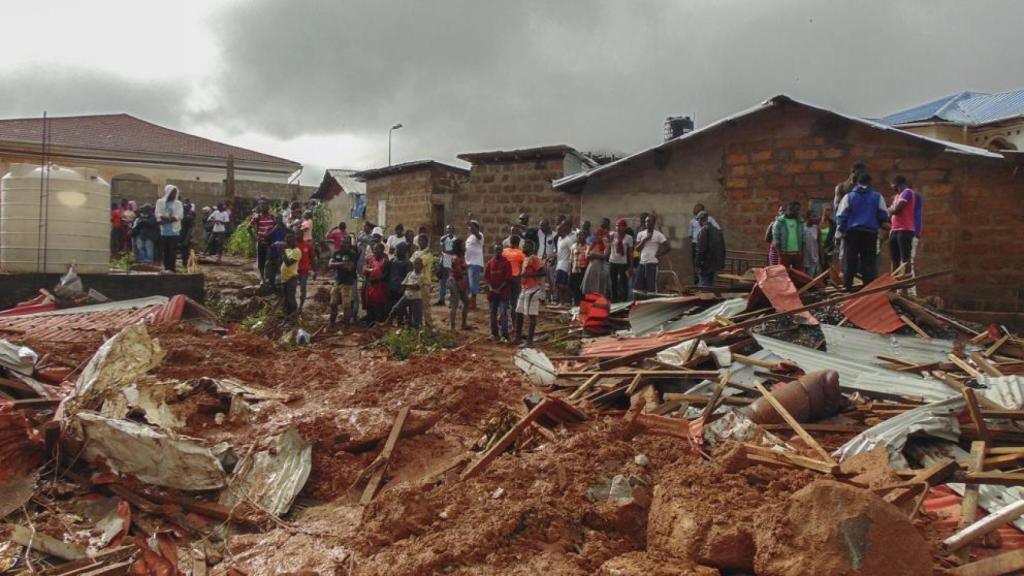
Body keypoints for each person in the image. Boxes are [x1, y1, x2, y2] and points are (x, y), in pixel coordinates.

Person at [837, 172, 888, 292]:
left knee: (850, 261)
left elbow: (841, 216)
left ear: (856, 183)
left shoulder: (849, 197)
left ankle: (847, 286)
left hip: (852, 233)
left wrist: (841, 232)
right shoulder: (877, 197)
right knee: (868, 262)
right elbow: (883, 215)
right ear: (870, 183)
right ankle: (868, 289)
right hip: (870, 233)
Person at [514, 240, 547, 348]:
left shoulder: (534, 259)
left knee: (531, 315)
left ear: (532, 248)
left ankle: (529, 341)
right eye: (524, 246)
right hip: (524, 288)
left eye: (526, 246)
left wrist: (530, 275)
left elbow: (543, 272)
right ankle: (518, 337)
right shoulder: (525, 258)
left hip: (533, 289)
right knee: (519, 312)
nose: (524, 248)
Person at [888, 175, 917, 274]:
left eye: (894, 187)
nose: (894, 190)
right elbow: (891, 212)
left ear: (899, 185)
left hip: (905, 230)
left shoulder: (907, 192)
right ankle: (893, 281)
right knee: (894, 259)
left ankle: (907, 279)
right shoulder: (897, 196)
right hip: (894, 230)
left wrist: (890, 210)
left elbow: (897, 210)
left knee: (905, 259)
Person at [328, 235, 360, 327]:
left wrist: (336, 264)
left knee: (346, 306)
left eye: (347, 243)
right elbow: (330, 264)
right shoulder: (336, 252)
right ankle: (332, 324)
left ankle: (346, 326)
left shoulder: (352, 254)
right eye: (343, 242)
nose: (345, 244)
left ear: (349, 244)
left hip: (347, 284)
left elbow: (350, 268)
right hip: (337, 282)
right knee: (333, 304)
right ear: (340, 243)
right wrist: (343, 263)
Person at [634, 215, 669, 295]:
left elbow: (668, 247)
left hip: (652, 263)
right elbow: (637, 249)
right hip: (642, 263)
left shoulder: (658, 235)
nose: (647, 223)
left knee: (651, 289)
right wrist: (644, 240)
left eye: (649, 221)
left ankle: (652, 299)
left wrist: (659, 254)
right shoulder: (641, 234)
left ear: (654, 223)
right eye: (646, 221)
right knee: (639, 289)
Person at [484, 242, 512, 341]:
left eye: (499, 250)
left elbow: (508, 279)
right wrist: (491, 288)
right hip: (492, 294)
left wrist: (499, 289)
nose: (498, 251)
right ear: (494, 250)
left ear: (502, 251)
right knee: (493, 313)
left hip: (503, 293)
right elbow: (486, 278)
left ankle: (505, 334)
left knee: (503, 313)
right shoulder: (490, 263)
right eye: (496, 250)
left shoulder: (506, 263)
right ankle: (494, 333)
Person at [688, 203, 719, 284]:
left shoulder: (710, 219)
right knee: (696, 263)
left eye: (697, 210)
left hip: (706, 244)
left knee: (705, 263)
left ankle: (704, 282)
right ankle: (697, 281)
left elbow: (717, 229)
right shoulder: (692, 221)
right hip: (696, 244)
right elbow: (690, 235)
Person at [694, 210, 726, 288]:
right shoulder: (717, 230)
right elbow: (722, 248)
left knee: (704, 286)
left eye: (698, 220)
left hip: (705, 264)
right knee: (710, 284)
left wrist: (697, 263)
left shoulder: (704, 230)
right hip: (715, 264)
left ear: (701, 220)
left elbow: (701, 249)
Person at [581, 218, 612, 299]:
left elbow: (606, 256)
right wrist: (590, 255)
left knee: (600, 289)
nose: (598, 236)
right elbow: (587, 255)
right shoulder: (593, 243)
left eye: (599, 235)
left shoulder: (606, 241)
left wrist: (595, 255)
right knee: (591, 289)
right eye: (597, 235)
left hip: (601, 267)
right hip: (592, 266)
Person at [155, 185, 184, 273]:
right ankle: (166, 267)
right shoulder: (160, 202)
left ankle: (172, 268)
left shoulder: (178, 203)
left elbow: (180, 215)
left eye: (175, 192)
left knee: (172, 250)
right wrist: (162, 218)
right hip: (164, 230)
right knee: (165, 250)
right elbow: (157, 213)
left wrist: (170, 219)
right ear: (168, 192)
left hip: (174, 231)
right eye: (172, 192)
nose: (174, 194)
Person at [390, 257, 425, 328]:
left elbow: (416, 287)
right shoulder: (409, 274)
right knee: (395, 308)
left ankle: (416, 331)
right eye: (416, 264)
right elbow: (403, 284)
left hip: (416, 298)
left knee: (416, 319)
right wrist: (408, 286)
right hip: (407, 296)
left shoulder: (422, 276)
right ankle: (400, 322)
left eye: (419, 264)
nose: (417, 266)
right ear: (413, 265)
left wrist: (407, 286)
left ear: (422, 266)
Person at [411, 233, 436, 326]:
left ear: (427, 242)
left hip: (424, 283)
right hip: (415, 282)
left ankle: (429, 324)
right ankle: (418, 324)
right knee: (416, 305)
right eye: (420, 240)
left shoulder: (428, 254)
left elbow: (419, 265)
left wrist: (414, 262)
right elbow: (412, 263)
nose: (421, 242)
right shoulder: (416, 253)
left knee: (425, 305)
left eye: (423, 240)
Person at [363, 241, 390, 324]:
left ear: (382, 250)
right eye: (374, 249)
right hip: (370, 287)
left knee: (379, 307)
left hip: (380, 288)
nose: (374, 251)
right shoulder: (371, 260)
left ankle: (378, 324)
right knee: (370, 306)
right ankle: (369, 323)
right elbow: (366, 271)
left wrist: (375, 279)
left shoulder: (385, 261)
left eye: (376, 249)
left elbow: (386, 275)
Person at [772, 201, 804, 272]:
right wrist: (780, 254)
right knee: (782, 275)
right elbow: (776, 240)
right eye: (797, 210)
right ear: (791, 209)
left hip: (797, 254)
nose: (799, 212)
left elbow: (803, 239)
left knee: (798, 275)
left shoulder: (800, 222)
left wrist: (801, 253)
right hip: (785, 254)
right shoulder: (779, 222)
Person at [250, 200, 276, 283]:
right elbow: (248, 227)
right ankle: (262, 278)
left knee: (269, 261)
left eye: (264, 205)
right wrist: (254, 238)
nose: (263, 207)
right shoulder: (257, 217)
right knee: (261, 261)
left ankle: (268, 278)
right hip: (261, 242)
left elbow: (276, 227)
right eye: (261, 205)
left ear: (268, 206)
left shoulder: (272, 217)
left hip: (270, 243)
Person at [608, 218, 634, 302]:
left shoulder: (629, 238)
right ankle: (614, 299)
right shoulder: (612, 235)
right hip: (613, 261)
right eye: (617, 226)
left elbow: (630, 253)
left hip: (623, 263)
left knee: (623, 282)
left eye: (620, 226)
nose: (618, 228)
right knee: (613, 282)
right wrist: (609, 239)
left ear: (625, 227)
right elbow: (606, 242)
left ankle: (624, 300)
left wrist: (631, 266)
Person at [448, 239, 470, 330]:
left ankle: (461, 324)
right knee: (455, 304)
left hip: (458, 281)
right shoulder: (456, 258)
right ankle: (453, 326)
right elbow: (460, 272)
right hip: (456, 282)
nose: (465, 247)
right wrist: (465, 271)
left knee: (464, 302)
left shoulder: (460, 257)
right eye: (463, 245)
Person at [387, 244, 413, 323]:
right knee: (391, 305)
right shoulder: (392, 260)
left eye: (397, 249)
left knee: (400, 306)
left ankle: (401, 321)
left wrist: (403, 288)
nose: (395, 251)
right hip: (392, 286)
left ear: (403, 251)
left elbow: (408, 277)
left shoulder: (408, 263)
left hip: (400, 288)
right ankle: (391, 321)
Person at [465, 220, 485, 310]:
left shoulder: (480, 235)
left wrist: (470, 224)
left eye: (472, 226)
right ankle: (468, 302)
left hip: (475, 263)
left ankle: (473, 304)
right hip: (468, 262)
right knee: (468, 284)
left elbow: (478, 235)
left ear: (476, 227)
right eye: (470, 226)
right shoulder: (470, 237)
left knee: (473, 284)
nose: (470, 228)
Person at [280, 233, 301, 317]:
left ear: (294, 241)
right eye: (286, 240)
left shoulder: (297, 251)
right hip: (284, 278)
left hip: (292, 277)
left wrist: (282, 251)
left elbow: (288, 263)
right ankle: (288, 314)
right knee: (285, 297)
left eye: (289, 240)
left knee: (290, 297)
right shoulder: (288, 250)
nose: (287, 242)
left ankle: (294, 313)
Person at [502, 235, 526, 308]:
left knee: (505, 295)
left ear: (510, 242)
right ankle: (514, 310)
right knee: (515, 296)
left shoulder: (504, 251)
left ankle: (504, 310)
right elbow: (524, 264)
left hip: (505, 276)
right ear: (518, 243)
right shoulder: (520, 253)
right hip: (515, 276)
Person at [554, 221, 574, 306]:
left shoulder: (568, 240)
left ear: (563, 230)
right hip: (559, 264)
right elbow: (559, 252)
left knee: (563, 285)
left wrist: (571, 264)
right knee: (558, 284)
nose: (557, 232)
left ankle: (569, 300)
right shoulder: (559, 239)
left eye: (558, 230)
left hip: (565, 265)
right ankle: (562, 302)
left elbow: (572, 252)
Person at [437, 225, 457, 305]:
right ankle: (441, 299)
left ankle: (452, 300)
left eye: (451, 229)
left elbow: (454, 250)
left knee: (451, 280)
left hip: (451, 260)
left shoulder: (455, 239)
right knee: (442, 280)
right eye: (448, 229)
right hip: (444, 259)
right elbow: (442, 242)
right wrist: (447, 235)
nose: (449, 230)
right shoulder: (444, 238)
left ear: (453, 230)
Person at [297, 227, 314, 314]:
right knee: (292, 289)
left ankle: (300, 307)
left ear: (302, 234)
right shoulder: (292, 244)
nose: (298, 235)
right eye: (296, 233)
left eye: (299, 233)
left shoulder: (307, 245)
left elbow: (312, 258)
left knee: (303, 289)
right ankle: (293, 306)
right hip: (293, 271)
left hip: (304, 271)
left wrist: (314, 270)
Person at [569, 229, 588, 305]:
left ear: (585, 237)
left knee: (582, 288)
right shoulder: (573, 246)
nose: (580, 237)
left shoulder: (588, 246)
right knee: (573, 286)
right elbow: (571, 260)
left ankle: (582, 303)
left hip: (583, 270)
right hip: (574, 269)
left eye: (582, 235)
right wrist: (569, 271)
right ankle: (576, 302)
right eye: (579, 235)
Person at [178, 198, 196, 267]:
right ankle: (185, 263)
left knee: (185, 250)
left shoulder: (188, 218)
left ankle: (186, 263)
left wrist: (186, 239)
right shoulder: (183, 217)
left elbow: (190, 229)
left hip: (185, 236)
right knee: (184, 250)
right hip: (182, 235)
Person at [802, 210, 820, 277]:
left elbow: (819, 243)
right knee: (803, 278)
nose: (814, 218)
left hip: (813, 258)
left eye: (815, 216)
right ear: (807, 217)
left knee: (811, 278)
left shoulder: (816, 228)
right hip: (804, 259)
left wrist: (821, 258)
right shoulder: (802, 228)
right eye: (813, 216)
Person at [819, 206, 836, 271]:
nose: (828, 212)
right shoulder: (816, 222)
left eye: (830, 210)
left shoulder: (833, 224)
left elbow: (835, 238)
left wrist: (828, 249)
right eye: (827, 210)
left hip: (828, 251)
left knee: (827, 269)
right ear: (822, 211)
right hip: (817, 250)